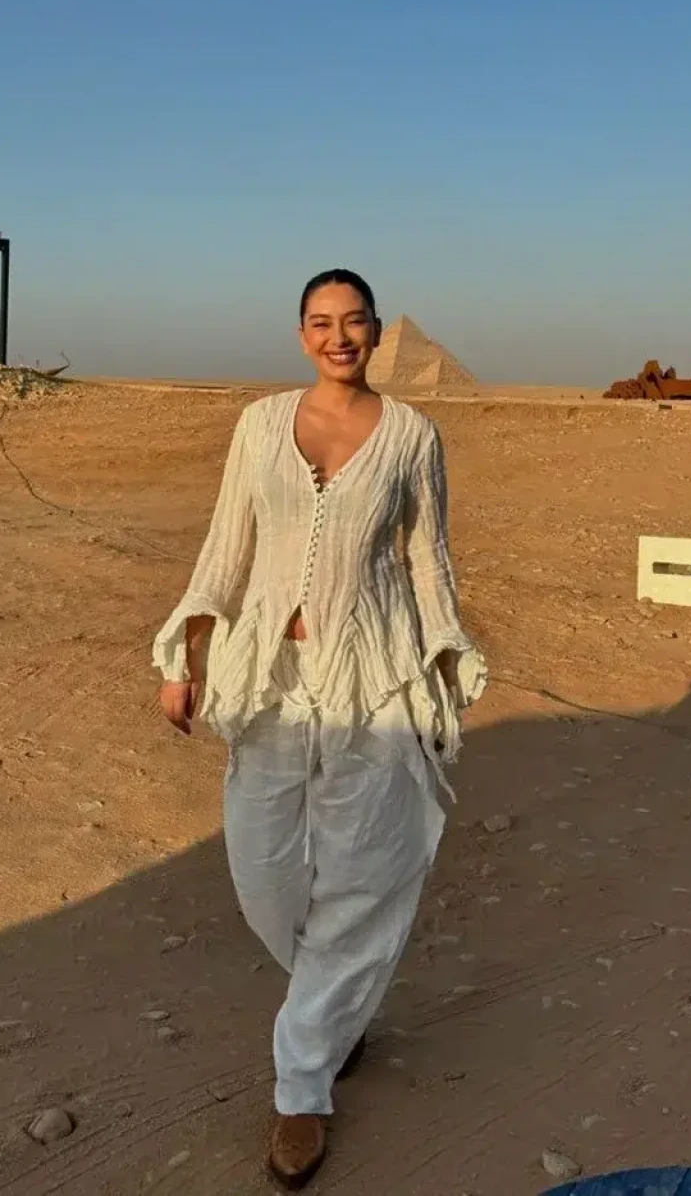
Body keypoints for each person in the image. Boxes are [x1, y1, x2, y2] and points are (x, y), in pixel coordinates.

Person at [153, 268, 486, 1190]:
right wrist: (185, 653)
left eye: (354, 321)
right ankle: (336, 1003)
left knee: (363, 874)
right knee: (263, 870)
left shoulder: (412, 435)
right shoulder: (260, 424)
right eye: (320, 322)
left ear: (376, 331)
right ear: (301, 334)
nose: (338, 336)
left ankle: (302, 1091)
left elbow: (428, 560)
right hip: (271, 673)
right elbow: (226, 544)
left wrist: (443, 663)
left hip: (372, 674)